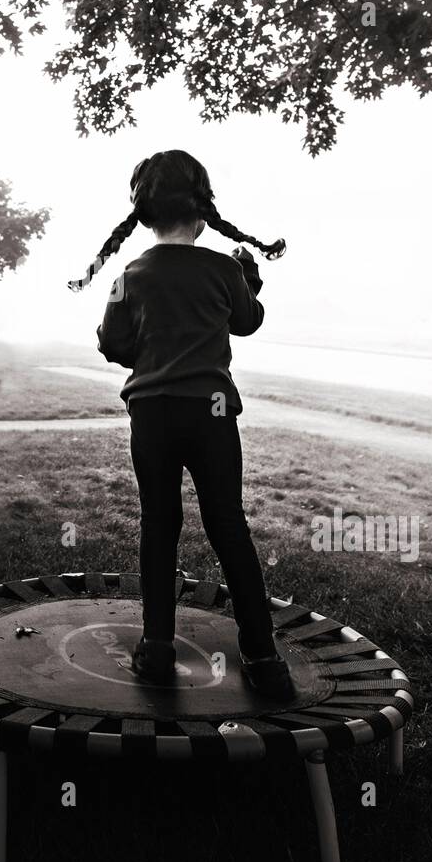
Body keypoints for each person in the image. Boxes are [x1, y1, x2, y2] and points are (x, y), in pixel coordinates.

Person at [68, 150, 292, 699]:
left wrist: (140, 339)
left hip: (152, 414)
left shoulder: (130, 275)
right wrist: (250, 280)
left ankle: (157, 649)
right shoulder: (222, 268)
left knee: (159, 524)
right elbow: (247, 322)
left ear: (145, 217)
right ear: (202, 214)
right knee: (227, 525)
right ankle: (263, 659)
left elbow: (114, 345)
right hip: (212, 413)